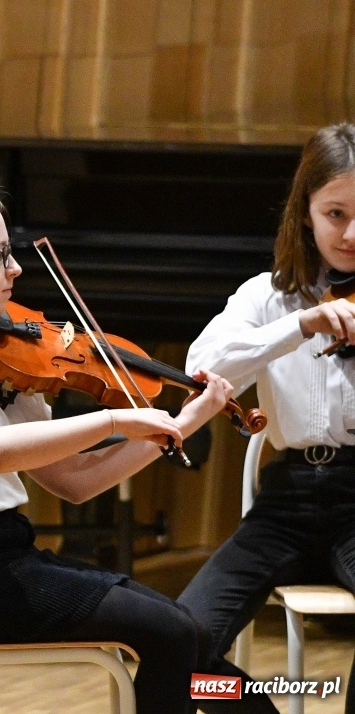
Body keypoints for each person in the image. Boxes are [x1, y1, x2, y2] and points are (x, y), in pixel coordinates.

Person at [0, 169, 250, 714]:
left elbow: (74, 481)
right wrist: (112, 422)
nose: (14, 269)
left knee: (187, 633)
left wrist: (184, 419)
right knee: (170, 633)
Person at [178, 122, 355, 713]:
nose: (351, 234)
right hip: (287, 504)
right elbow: (202, 367)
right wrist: (297, 326)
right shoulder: (266, 297)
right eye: (335, 214)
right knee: (181, 647)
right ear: (306, 212)